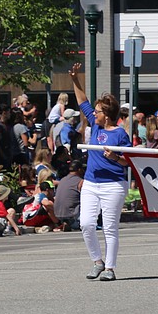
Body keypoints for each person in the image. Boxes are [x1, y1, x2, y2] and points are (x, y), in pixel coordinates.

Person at [69, 62, 131, 282]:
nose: (93, 114)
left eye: (97, 112)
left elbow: (129, 162)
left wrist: (114, 157)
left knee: (110, 227)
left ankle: (110, 268)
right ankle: (97, 261)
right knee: (86, 223)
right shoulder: (95, 126)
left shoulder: (120, 135)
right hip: (91, 182)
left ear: (107, 115)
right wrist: (75, 79)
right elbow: (82, 101)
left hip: (113, 184)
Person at [54, 159, 85, 230]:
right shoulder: (80, 181)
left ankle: (66, 223)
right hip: (72, 214)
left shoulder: (62, 180)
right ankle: (73, 224)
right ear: (79, 170)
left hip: (58, 214)